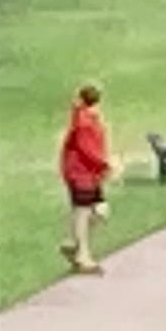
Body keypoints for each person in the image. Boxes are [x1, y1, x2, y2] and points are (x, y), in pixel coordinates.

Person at [57, 83, 113, 275]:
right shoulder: (85, 122)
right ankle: (83, 256)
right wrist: (105, 164)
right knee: (83, 212)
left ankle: (74, 244)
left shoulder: (89, 118)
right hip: (80, 173)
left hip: (90, 174)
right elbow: (87, 149)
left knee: (99, 211)